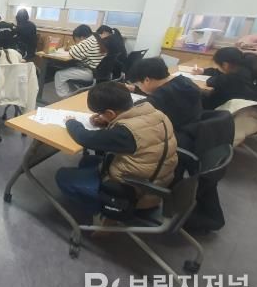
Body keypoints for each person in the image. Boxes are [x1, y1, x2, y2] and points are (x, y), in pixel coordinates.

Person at [55, 82, 177, 213]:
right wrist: (107, 122)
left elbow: (85, 138)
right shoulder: (155, 113)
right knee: (88, 161)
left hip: (136, 192)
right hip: (155, 178)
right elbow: (138, 135)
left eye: (100, 113)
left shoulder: (124, 133)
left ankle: (102, 213)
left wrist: (71, 122)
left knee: (63, 175)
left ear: (110, 113)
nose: (99, 116)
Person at [128, 57, 203, 131]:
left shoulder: (160, 98)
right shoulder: (184, 80)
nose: (139, 88)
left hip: (177, 134)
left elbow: (134, 109)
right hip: (195, 128)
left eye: (138, 85)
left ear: (147, 80)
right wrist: (135, 89)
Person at [192, 47, 257, 109]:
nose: (218, 68)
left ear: (225, 65)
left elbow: (210, 81)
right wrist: (204, 71)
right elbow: (220, 71)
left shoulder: (229, 79)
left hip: (230, 111)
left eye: (218, 65)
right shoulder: (247, 69)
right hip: (254, 106)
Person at [54, 25, 106, 97]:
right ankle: (72, 94)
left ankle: (65, 97)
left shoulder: (88, 42)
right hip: (98, 72)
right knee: (70, 70)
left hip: (91, 73)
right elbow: (80, 48)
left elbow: (73, 52)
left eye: (76, 41)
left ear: (82, 37)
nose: (77, 43)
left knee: (59, 74)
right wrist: (72, 47)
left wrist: (71, 48)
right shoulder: (95, 38)